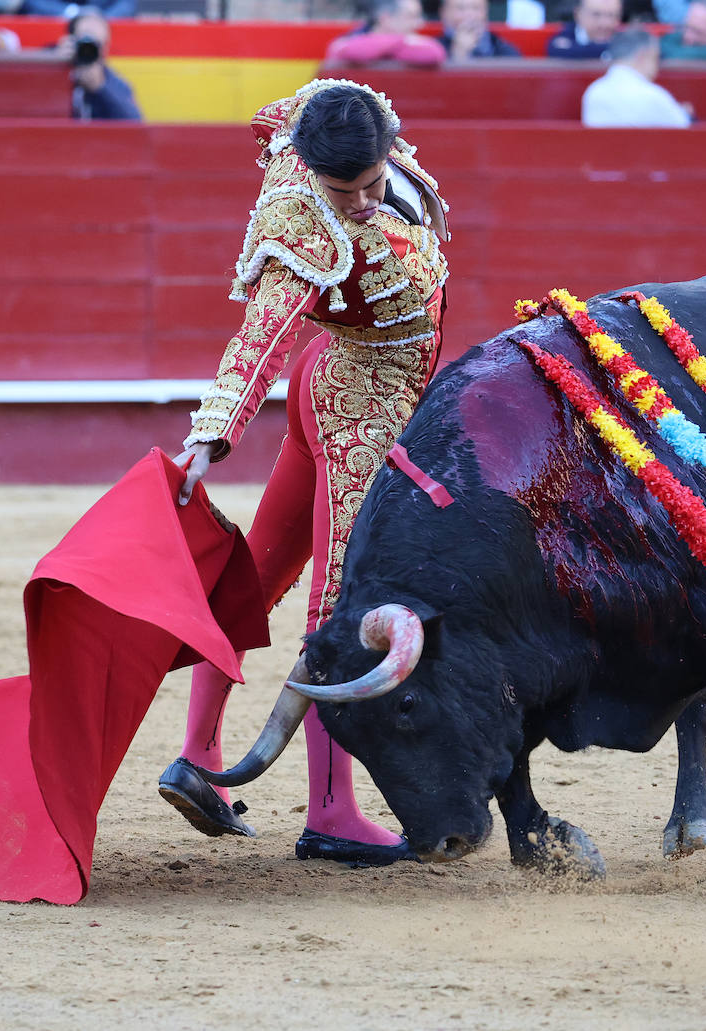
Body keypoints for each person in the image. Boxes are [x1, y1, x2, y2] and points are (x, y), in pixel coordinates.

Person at [157, 79, 451, 867]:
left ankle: (197, 759)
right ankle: (331, 811)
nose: (357, 202)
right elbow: (259, 337)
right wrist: (209, 438)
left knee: (256, 573)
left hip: (342, 390)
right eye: (340, 189)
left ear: (386, 144)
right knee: (340, 603)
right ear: (311, 170)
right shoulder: (302, 224)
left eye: (369, 184)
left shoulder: (339, 112)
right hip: (359, 411)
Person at [582, 28, 691, 127]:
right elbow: (684, 126)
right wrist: (685, 113)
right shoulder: (652, 95)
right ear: (643, 56)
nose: (656, 67)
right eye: (655, 58)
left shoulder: (593, 91)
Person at [56, 8, 142, 121]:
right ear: (71, 40)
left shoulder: (113, 81)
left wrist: (100, 88)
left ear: (105, 49)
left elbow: (135, 124)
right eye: (83, 42)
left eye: (95, 45)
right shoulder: (53, 61)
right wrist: (55, 68)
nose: (88, 51)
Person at [324, 0, 446, 68]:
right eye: (411, 16)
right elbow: (347, 51)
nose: (419, 24)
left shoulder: (414, 42)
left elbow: (435, 53)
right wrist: (400, 40)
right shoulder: (352, 38)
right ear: (385, 18)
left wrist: (382, 47)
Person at [439, 0, 520, 59]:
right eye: (461, 8)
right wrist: (459, 54)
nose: (469, 15)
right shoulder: (434, 49)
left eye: (476, 8)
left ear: (486, 12)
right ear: (444, 13)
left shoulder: (504, 50)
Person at [546, 0, 621, 60]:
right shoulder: (565, 35)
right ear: (578, 14)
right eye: (596, 14)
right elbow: (558, 52)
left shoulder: (624, 36)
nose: (604, 24)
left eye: (611, 15)